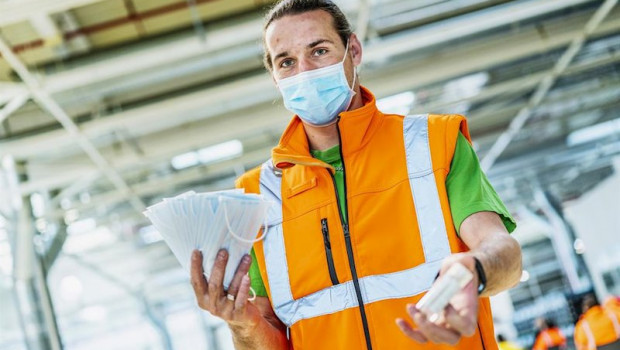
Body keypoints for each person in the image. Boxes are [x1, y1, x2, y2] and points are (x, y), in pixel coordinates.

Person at [189, 0, 522, 349]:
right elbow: (268, 334)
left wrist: (476, 269)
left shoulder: (436, 144)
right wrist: (241, 325)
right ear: (275, 77)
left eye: (319, 51)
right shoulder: (257, 194)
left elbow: (504, 253)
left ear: (354, 50)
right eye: (286, 62)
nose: (304, 71)